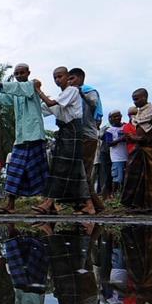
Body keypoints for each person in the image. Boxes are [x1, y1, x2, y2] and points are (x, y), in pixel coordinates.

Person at [32, 67, 96, 215]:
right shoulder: (63, 95)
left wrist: (38, 90)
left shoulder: (71, 91)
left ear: (67, 77)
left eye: (60, 76)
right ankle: (87, 204)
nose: (57, 80)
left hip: (72, 130)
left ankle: (49, 202)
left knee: (63, 167)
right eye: (55, 77)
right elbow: (46, 108)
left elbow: (50, 103)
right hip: (64, 131)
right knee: (70, 168)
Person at [0, 64, 49, 214]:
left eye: (22, 73)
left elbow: (21, 89)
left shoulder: (32, 85)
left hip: (35, 135)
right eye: (16, 73)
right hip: (21, 138)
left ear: (28, 73)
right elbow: (3, 98)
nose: (19, 75)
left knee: (40, 172)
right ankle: (10, 205)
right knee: (14, 170)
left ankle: (49, 204)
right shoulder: (16, 93)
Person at [67, 68, 105, 212]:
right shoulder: (70, 94)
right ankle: (85, 203)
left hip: (88, 136)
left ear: (81, 78)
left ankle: (94, 204)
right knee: (78, 171)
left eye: (72, 79)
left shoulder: (89, 91)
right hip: (76, 136)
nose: (70, 82)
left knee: (85, 172)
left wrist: (81, 93)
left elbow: (93, 104)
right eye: (69, 79)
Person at [105, 111, 129, 197]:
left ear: (121, 116)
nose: (117, 118)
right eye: (114, 117)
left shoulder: (126, 126)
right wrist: (121, 139)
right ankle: (114, 195)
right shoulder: (109, 130)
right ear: (111, 119)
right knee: (117, 178)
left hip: (128, 156)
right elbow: (109, 143)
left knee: (126, 178)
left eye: (118, 116)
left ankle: (123, 195)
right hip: (117, 158)